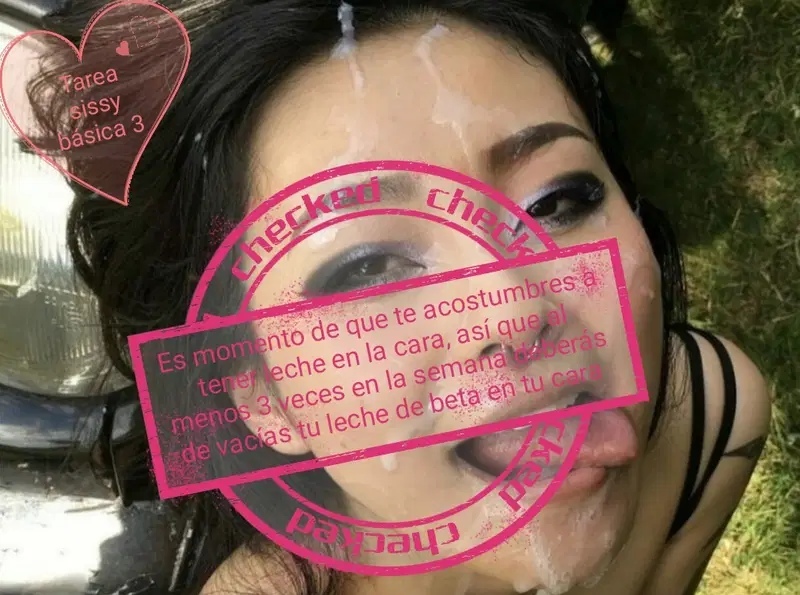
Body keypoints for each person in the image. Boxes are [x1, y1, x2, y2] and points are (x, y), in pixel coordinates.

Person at [27, 1, 771, 594]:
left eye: (556, 201)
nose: (515, 310)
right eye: (370, 269)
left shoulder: (715, 416)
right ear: (260, 394)